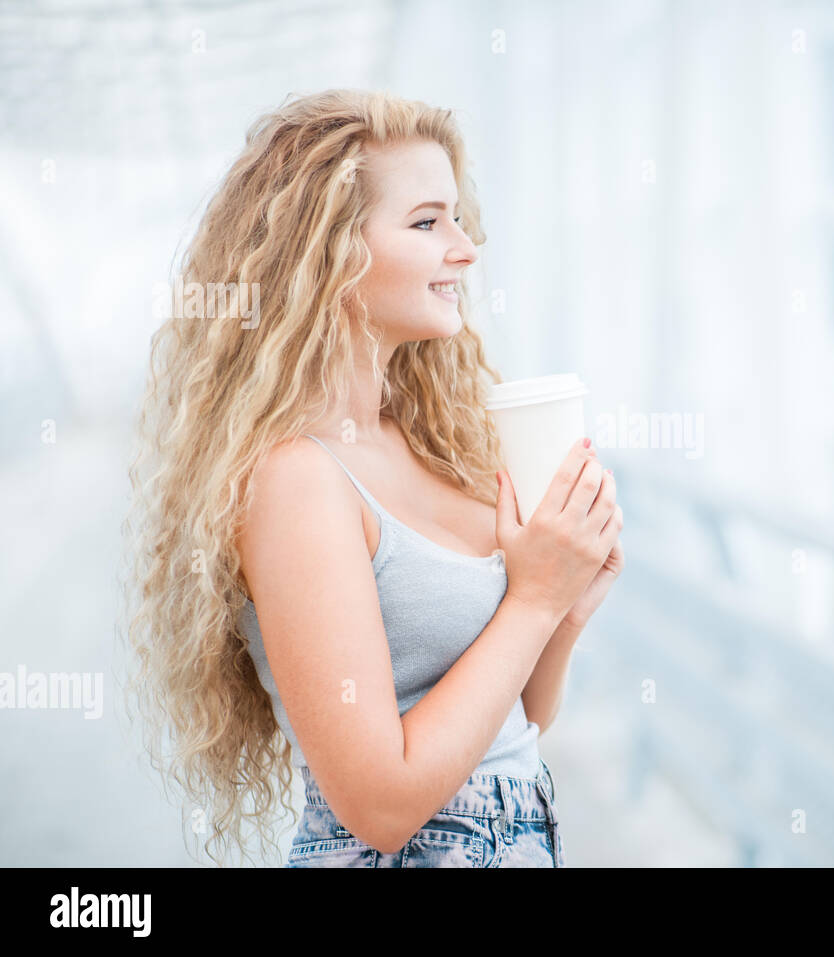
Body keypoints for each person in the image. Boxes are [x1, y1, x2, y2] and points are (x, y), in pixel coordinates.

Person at [120, 89, 623, 867]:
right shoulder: (296, 478)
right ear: (328, 255)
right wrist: (534, 597)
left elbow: (517, 720)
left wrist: (566, 606)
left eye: (457, 217)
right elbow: (381, 804)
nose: (465, 248)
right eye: (427, 223)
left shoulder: (434, 441)